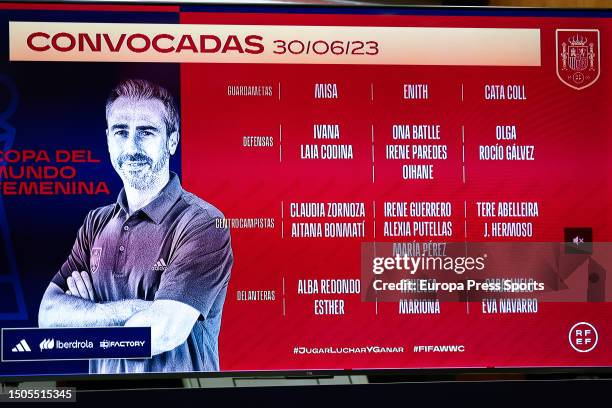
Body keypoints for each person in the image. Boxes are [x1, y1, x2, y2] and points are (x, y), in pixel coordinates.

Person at [38, 79, 233, 374]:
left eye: (146, 132)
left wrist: (85, 317)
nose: (132, 147)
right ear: (107, 138)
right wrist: (137, 310)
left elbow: (161, 333)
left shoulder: (202, 224)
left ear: (172, 140)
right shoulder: (95, 223)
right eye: (121, 132)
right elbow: (49, 318)